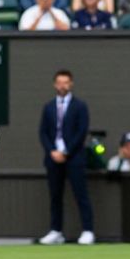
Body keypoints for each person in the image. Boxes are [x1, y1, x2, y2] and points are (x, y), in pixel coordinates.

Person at [38, 69, 94, 245]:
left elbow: (81, 131)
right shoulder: (48, 107)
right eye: (59, 82)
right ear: (55, 84)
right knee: (55, 195)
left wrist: (66, 151)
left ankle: (88, 231)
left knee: (80, 194)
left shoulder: (80, 106)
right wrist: (52, 151)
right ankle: (56, 231)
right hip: (53, 158)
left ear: (71, 84)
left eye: (66, 82)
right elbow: (43, 132)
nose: (62, 85)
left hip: (74, 157)